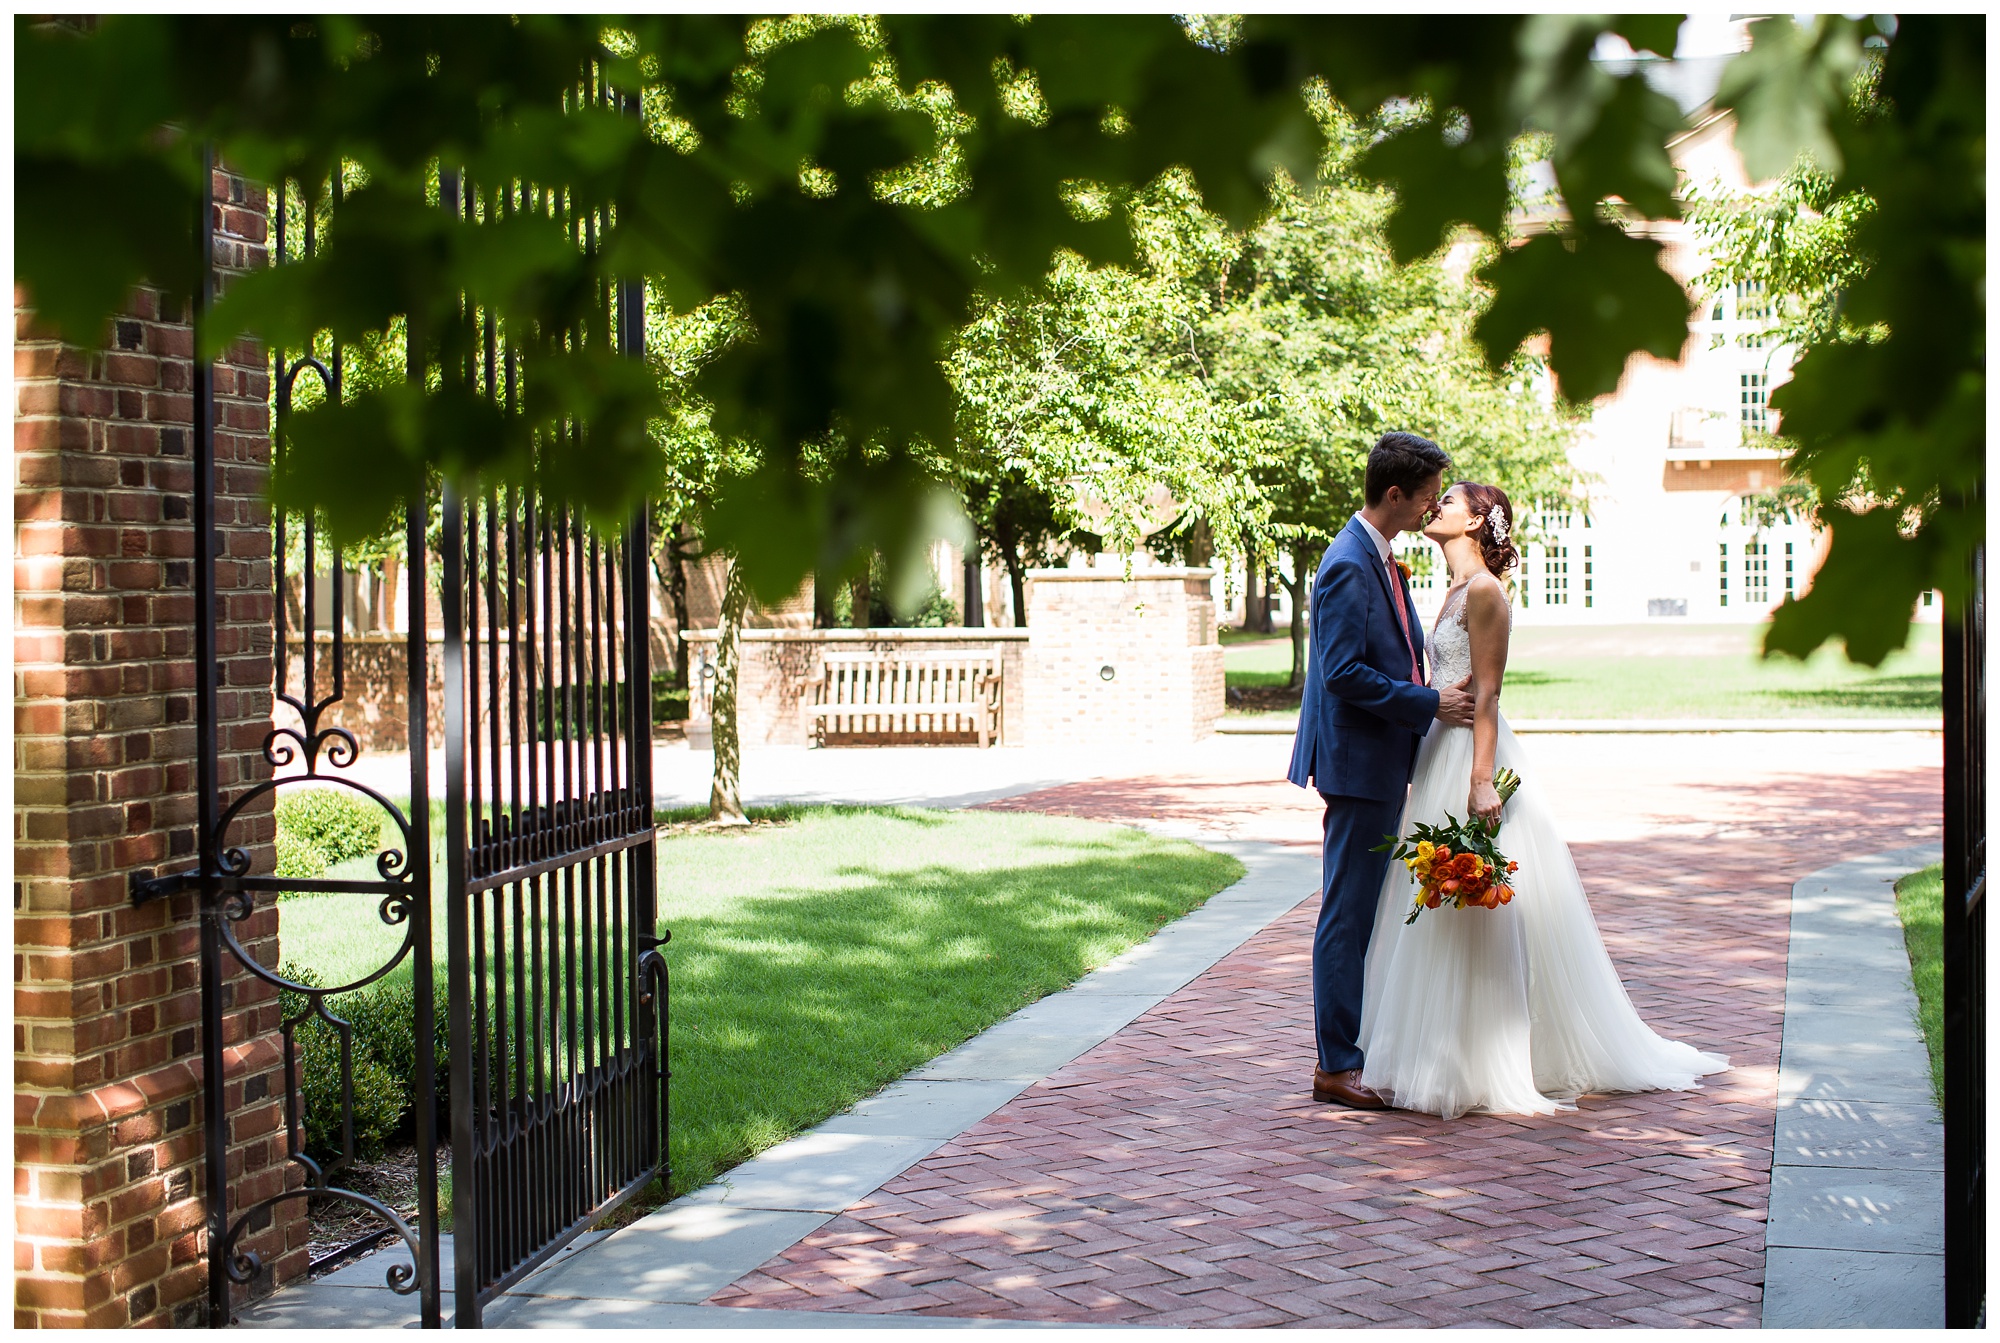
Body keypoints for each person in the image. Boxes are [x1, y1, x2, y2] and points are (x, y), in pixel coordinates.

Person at [1356, 481, 1728, 1118]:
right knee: (1441, 902)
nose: (1433, 507)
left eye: (1447, 503)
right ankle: (1441, 1051)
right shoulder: (1447, 591)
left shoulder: (1485, 593)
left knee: (1479, 904)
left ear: (1476, 523)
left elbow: (1489, 698)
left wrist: (1478, 781)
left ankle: (1484, 1060)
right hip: (1436, 753)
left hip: (1471, 761)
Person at [1287, 431, 1475, 1109]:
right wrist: (1430, 703)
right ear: (1396, 493)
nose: (1432, 507)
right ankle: (1336, 1065)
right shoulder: (1347, 563)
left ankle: (1356, 1049)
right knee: (1347, 914)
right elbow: (1341, 673)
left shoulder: (1380, 558)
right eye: (1428, 494)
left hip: (1381, 760)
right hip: (1358, 765)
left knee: (1364, 913)